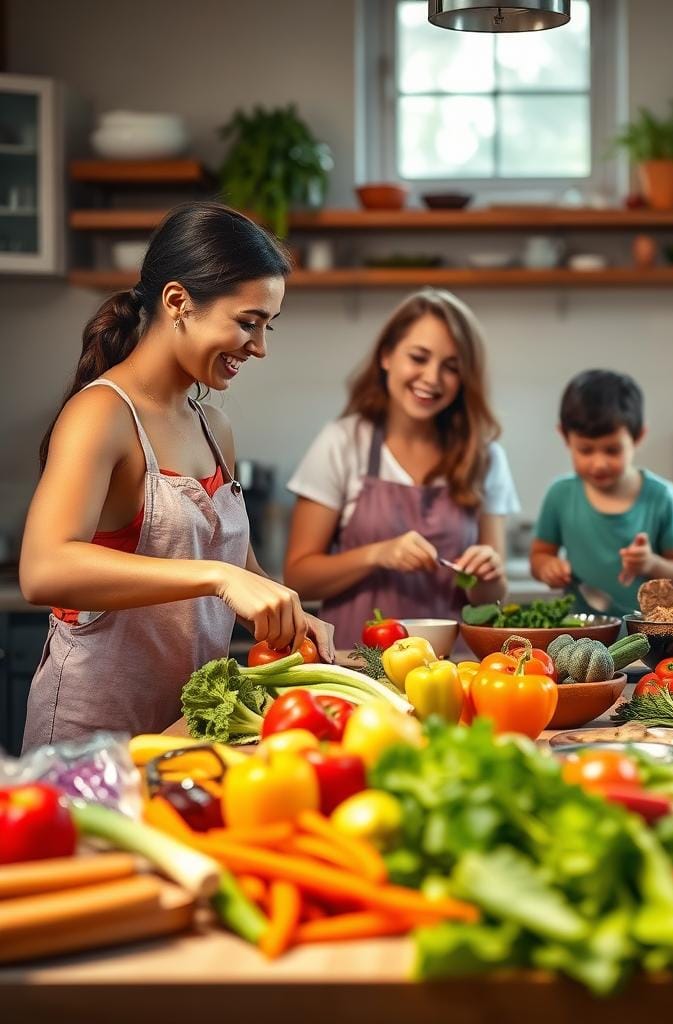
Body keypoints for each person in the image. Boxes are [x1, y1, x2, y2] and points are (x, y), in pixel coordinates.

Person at [19, 202, 333, 749]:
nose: (260, 348)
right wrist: (218, 577)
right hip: (93, 735)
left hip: (185, 732)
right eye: (247, 323)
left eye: (266, 327)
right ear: (177, 302)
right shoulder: (103, 414)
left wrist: (286, 607)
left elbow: (235, 564)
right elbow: (44, 569)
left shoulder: (214, 425)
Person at [283, 289, 518, 644]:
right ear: (387, 356)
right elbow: (299, 577)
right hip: (356, 663)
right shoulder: (343, 443)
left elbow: (491, 602)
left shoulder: (485, 457)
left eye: (451, 367)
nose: (432, 378)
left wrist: (490, 577)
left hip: (450, 667)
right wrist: (378, 553)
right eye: (419, 357)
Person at [530, 369, 673, 617]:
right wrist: (547, 568)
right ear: (565, 436)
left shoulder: (662, 497)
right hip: (580, 635)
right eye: (585, 450)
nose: (599, 464)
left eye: (612, 450)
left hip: (649, 638)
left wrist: (651, 564)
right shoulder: (560, 495)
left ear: (638, 437)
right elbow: (539, 556)